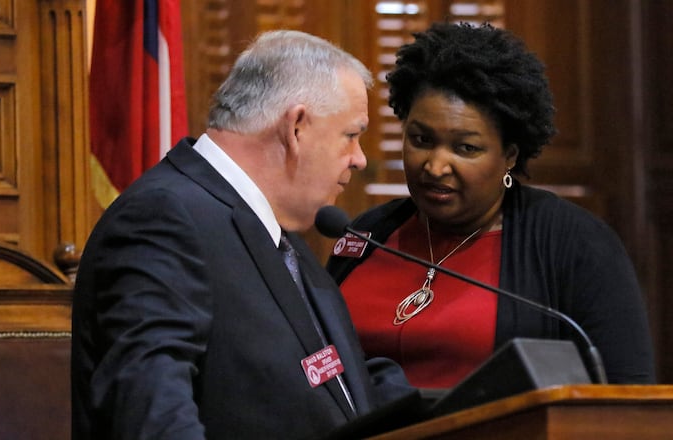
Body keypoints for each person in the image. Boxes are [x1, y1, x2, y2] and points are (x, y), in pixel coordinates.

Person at [71, 30, 415, 440]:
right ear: (297, 127)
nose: (359, 159)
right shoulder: (161, 218)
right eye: (351, 135)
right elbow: (151, 411)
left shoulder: (275, 231)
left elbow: (342, 382)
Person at [326, 22, 656, 388]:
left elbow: (628, 396)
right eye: (421, 140)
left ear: (509, 155)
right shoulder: (367, 235)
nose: (435, 166)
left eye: (465, 148)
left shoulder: (575, 244)